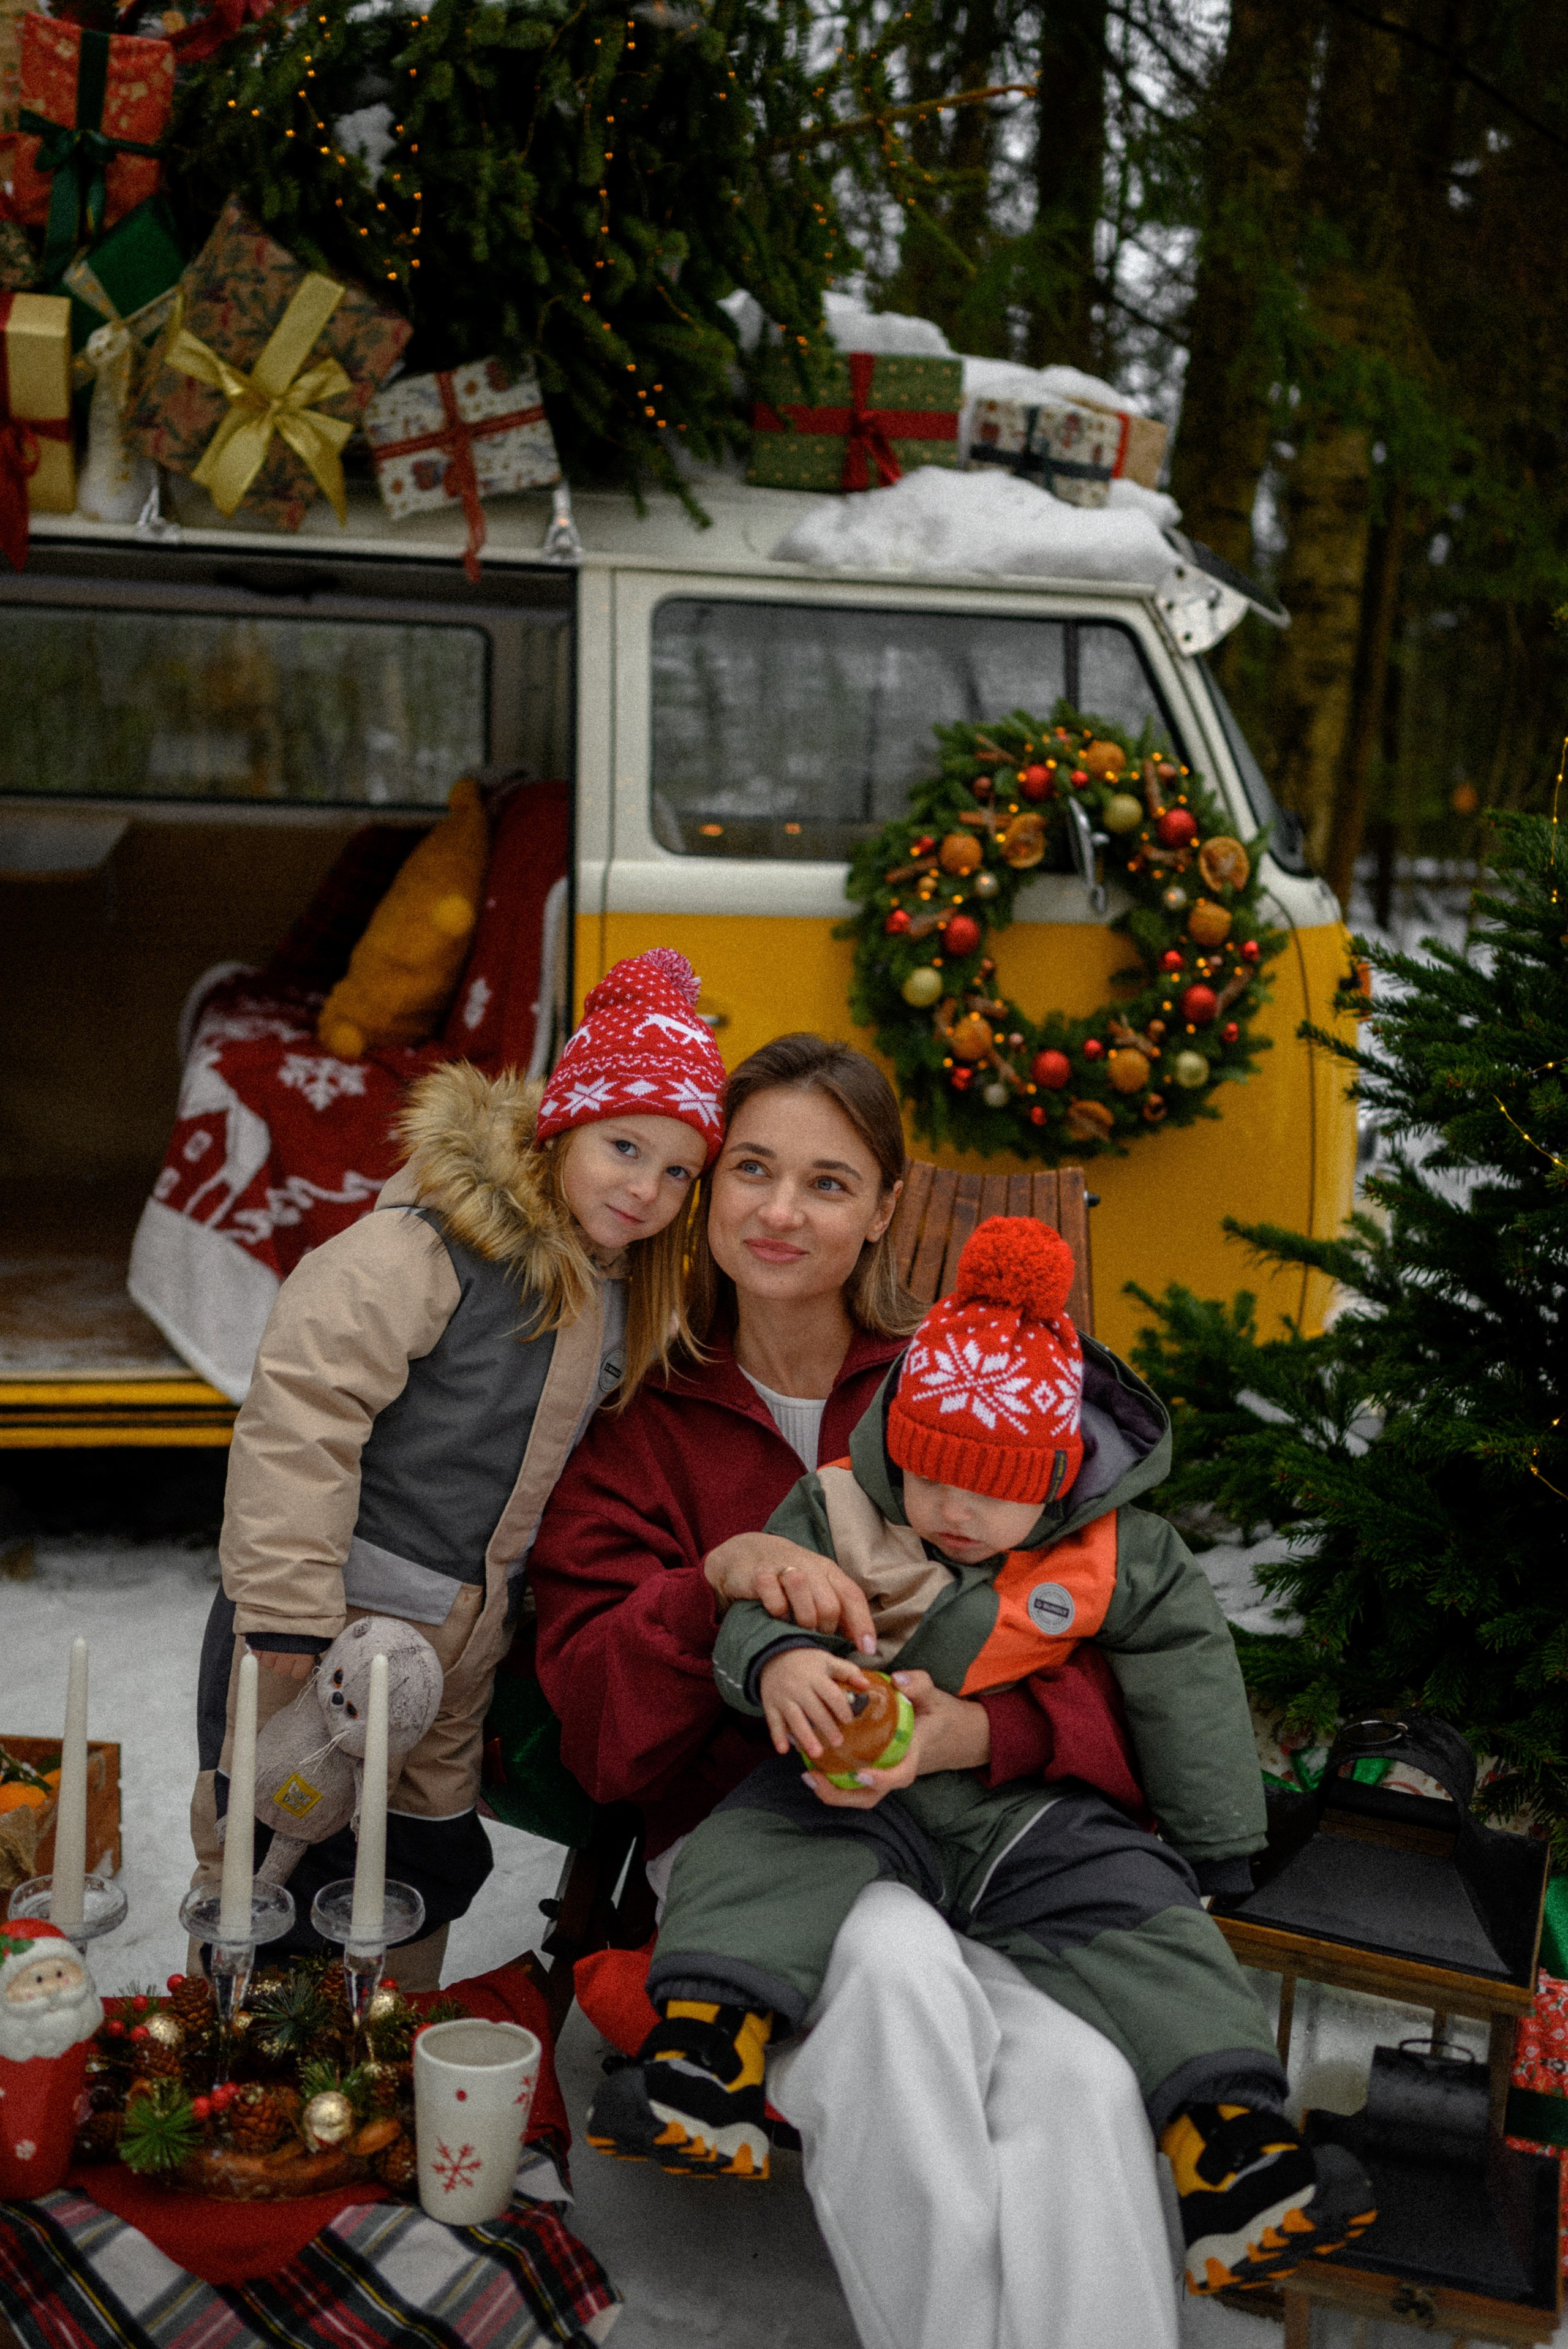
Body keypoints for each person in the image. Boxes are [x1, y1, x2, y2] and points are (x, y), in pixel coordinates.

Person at [530, 1033, 1185, 2349]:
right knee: (886, 1961)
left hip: (982, 1848)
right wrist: (716, 1582)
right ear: (709, 1190)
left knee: (1077, 2077)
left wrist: (973, 1728)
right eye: (754, 1170)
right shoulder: (637, 1432)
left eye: (828, 1182)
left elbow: (1132, 1670)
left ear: (886, 1205)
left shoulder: (967, 1404)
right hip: (750, 1868)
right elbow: (598, 1738)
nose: (782, 1210)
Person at [590, 1214, 1377, 2298]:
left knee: (1149, 1918)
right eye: (930, 1477)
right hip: (852, 1791)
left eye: (992, 1489)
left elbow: (1188, 1679)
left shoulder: (1116, 1555)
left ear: (1057, 1478)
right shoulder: (839, 1505)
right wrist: (777, 1666)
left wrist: (1217, 1840)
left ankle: (1232, 2150)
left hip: (1024, 1812)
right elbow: (753, 1615)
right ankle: (705, 2056)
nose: (954, 1514)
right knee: (754, 1849)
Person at [187, 947, 727, 1988]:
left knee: (417, 1856)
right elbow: (303, 1411)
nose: (648, 1189)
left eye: (678, 1172)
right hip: (326, 1623)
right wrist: (290, 1614)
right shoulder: (435, 1247)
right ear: (562, 1124)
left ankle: (388, 2057)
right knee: (273, 1834)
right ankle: (243, 2056)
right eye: (624, 1147)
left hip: (460, 1652)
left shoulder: (619, 1284)